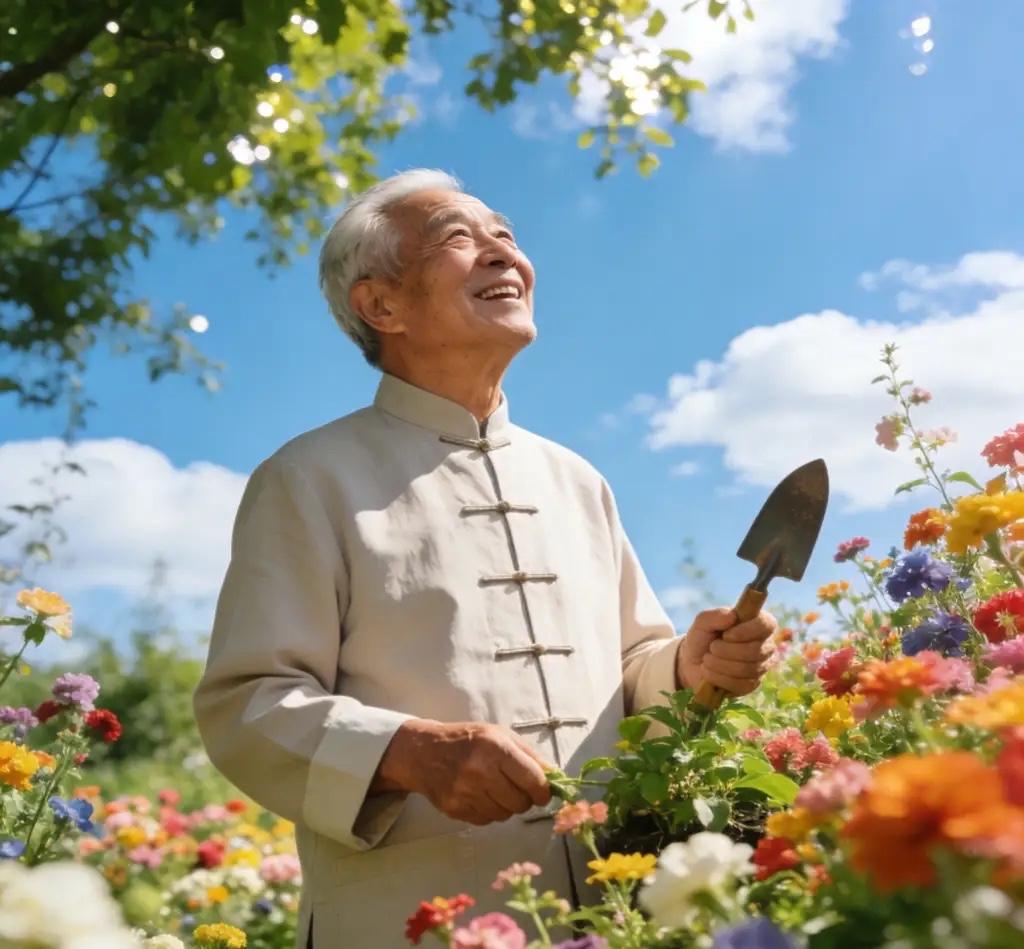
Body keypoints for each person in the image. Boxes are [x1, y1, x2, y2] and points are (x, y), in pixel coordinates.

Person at [193, 168, 777, 948]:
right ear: (381, 304)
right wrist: (404, 751)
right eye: (459, 239)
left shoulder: (579, 479)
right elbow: (247, 704)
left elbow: (634, 664)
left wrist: (685, 669)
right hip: (412, 922)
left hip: (617, 913)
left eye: (505, 234)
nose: (503, 253)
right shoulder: (306, 478)